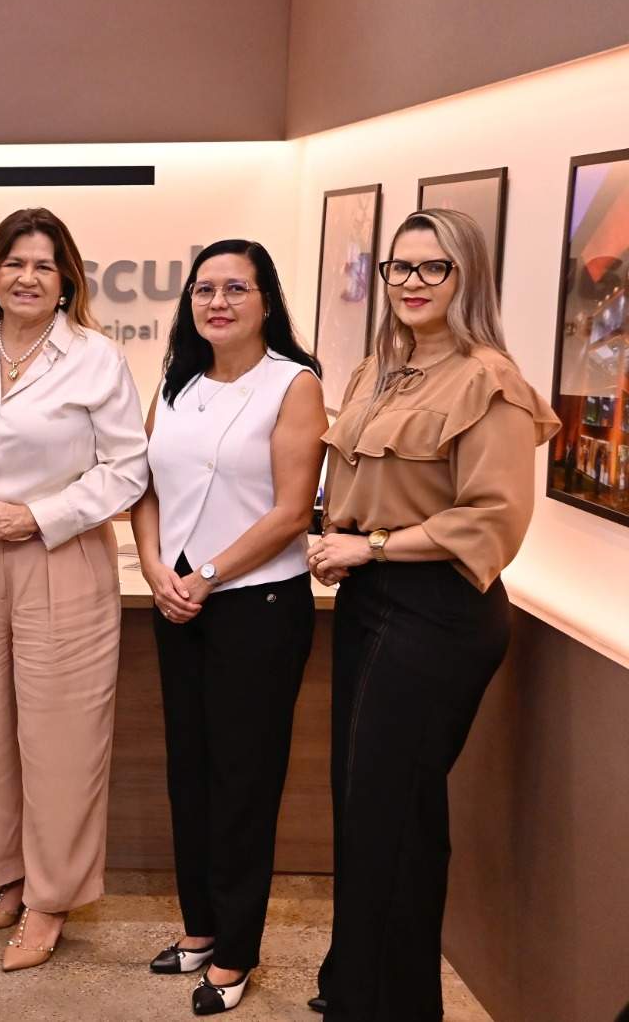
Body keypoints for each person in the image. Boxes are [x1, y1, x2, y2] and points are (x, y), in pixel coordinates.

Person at [306, 208, 559, 1022]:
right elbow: (358, 484)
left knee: (392, 815)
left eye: (432, 268)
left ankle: (386, 1005)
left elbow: (493, 522)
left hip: (438, 614)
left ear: (466, 277)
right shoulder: (378, 371)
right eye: (399, 267)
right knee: (369, 808)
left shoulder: (490, 381)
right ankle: (361, 984)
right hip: (372, 603)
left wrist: (372, 546)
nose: (411, 283)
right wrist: (339, 538)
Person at [0, 207, 148, 971]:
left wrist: (39, 515)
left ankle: (52, 899)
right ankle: (8, 877)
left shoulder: (96, 358)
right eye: (14, 263)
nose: (27, 277)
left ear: (67, 282)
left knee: (61, 740)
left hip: (62, 558)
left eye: (44, 266)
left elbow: (128, 469)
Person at [131, 240, 327, 1014]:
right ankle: (201, 928)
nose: (217, 302)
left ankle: (238, 951)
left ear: (266, 301)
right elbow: (144, 485)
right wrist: (155, 568)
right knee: (190, 773)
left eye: (235, 288)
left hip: (258, 606)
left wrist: (206, 575)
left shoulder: (294, 384)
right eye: (204, 289)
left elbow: (291, 510)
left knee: (244, 781)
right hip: (177, 600)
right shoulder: (176, 382)